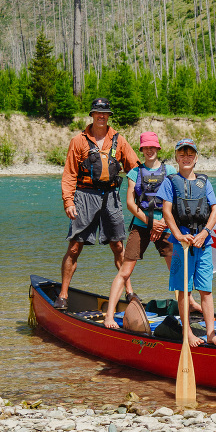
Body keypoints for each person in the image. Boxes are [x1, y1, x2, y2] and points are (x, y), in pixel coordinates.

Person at [102, 132, 201, 328]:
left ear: (158, 149)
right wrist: (150, 223)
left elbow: (176, 200)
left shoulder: (171, 170)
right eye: (146, 147)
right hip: (141, 226)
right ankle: (109, 316)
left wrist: (163, 222)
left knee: (178, 270)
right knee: (125, 271)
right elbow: (130, 204)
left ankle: (189, 303)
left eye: (152, 147)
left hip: (166, 225)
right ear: (142, 150)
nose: (149, 150)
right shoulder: (134, 173)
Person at [55, 98, 140, 309]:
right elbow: (69, 174)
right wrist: (68, 201)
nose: (101, 116)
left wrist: (152, 186)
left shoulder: (119, 141)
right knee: (75, 247)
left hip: (111, 196)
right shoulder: (78, 141)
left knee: (118, 246)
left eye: (105, 113)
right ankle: (63, 295)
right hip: (84, 196)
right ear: (92, 115)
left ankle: (129, 293)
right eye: (97, 113)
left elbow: (135, 168)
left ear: (109, 115)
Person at [159, 139, 216, 347]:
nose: (186, 158)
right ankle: (187, 332)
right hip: (182, 245)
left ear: (196, 158)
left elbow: (215, 210)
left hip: (203, 243)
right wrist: (178, 236)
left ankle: (211, 333)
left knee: (206, 290)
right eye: (182, 155)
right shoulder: (170, 182)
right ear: (176, 157)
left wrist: (205, 233)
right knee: (185, 291)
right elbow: (167, 212)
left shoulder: (205, 182)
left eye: (190, 155)